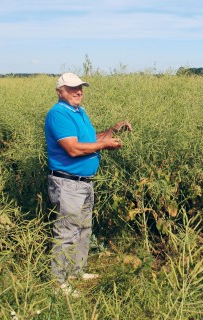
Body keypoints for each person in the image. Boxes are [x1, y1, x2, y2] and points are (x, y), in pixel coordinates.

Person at [45, 72, 132, 297]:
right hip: (68, 183)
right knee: (67, 232)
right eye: (73, 88)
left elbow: (91, 139)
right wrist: (105, 146)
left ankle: (76, 271)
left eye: (80, 87)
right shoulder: (58, 114)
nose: (78, 91)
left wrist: (112, 130)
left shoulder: (78, 111)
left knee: (83, 229)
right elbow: (73, 148)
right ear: (59, 91)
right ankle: (58, 282)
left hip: (83, 183)